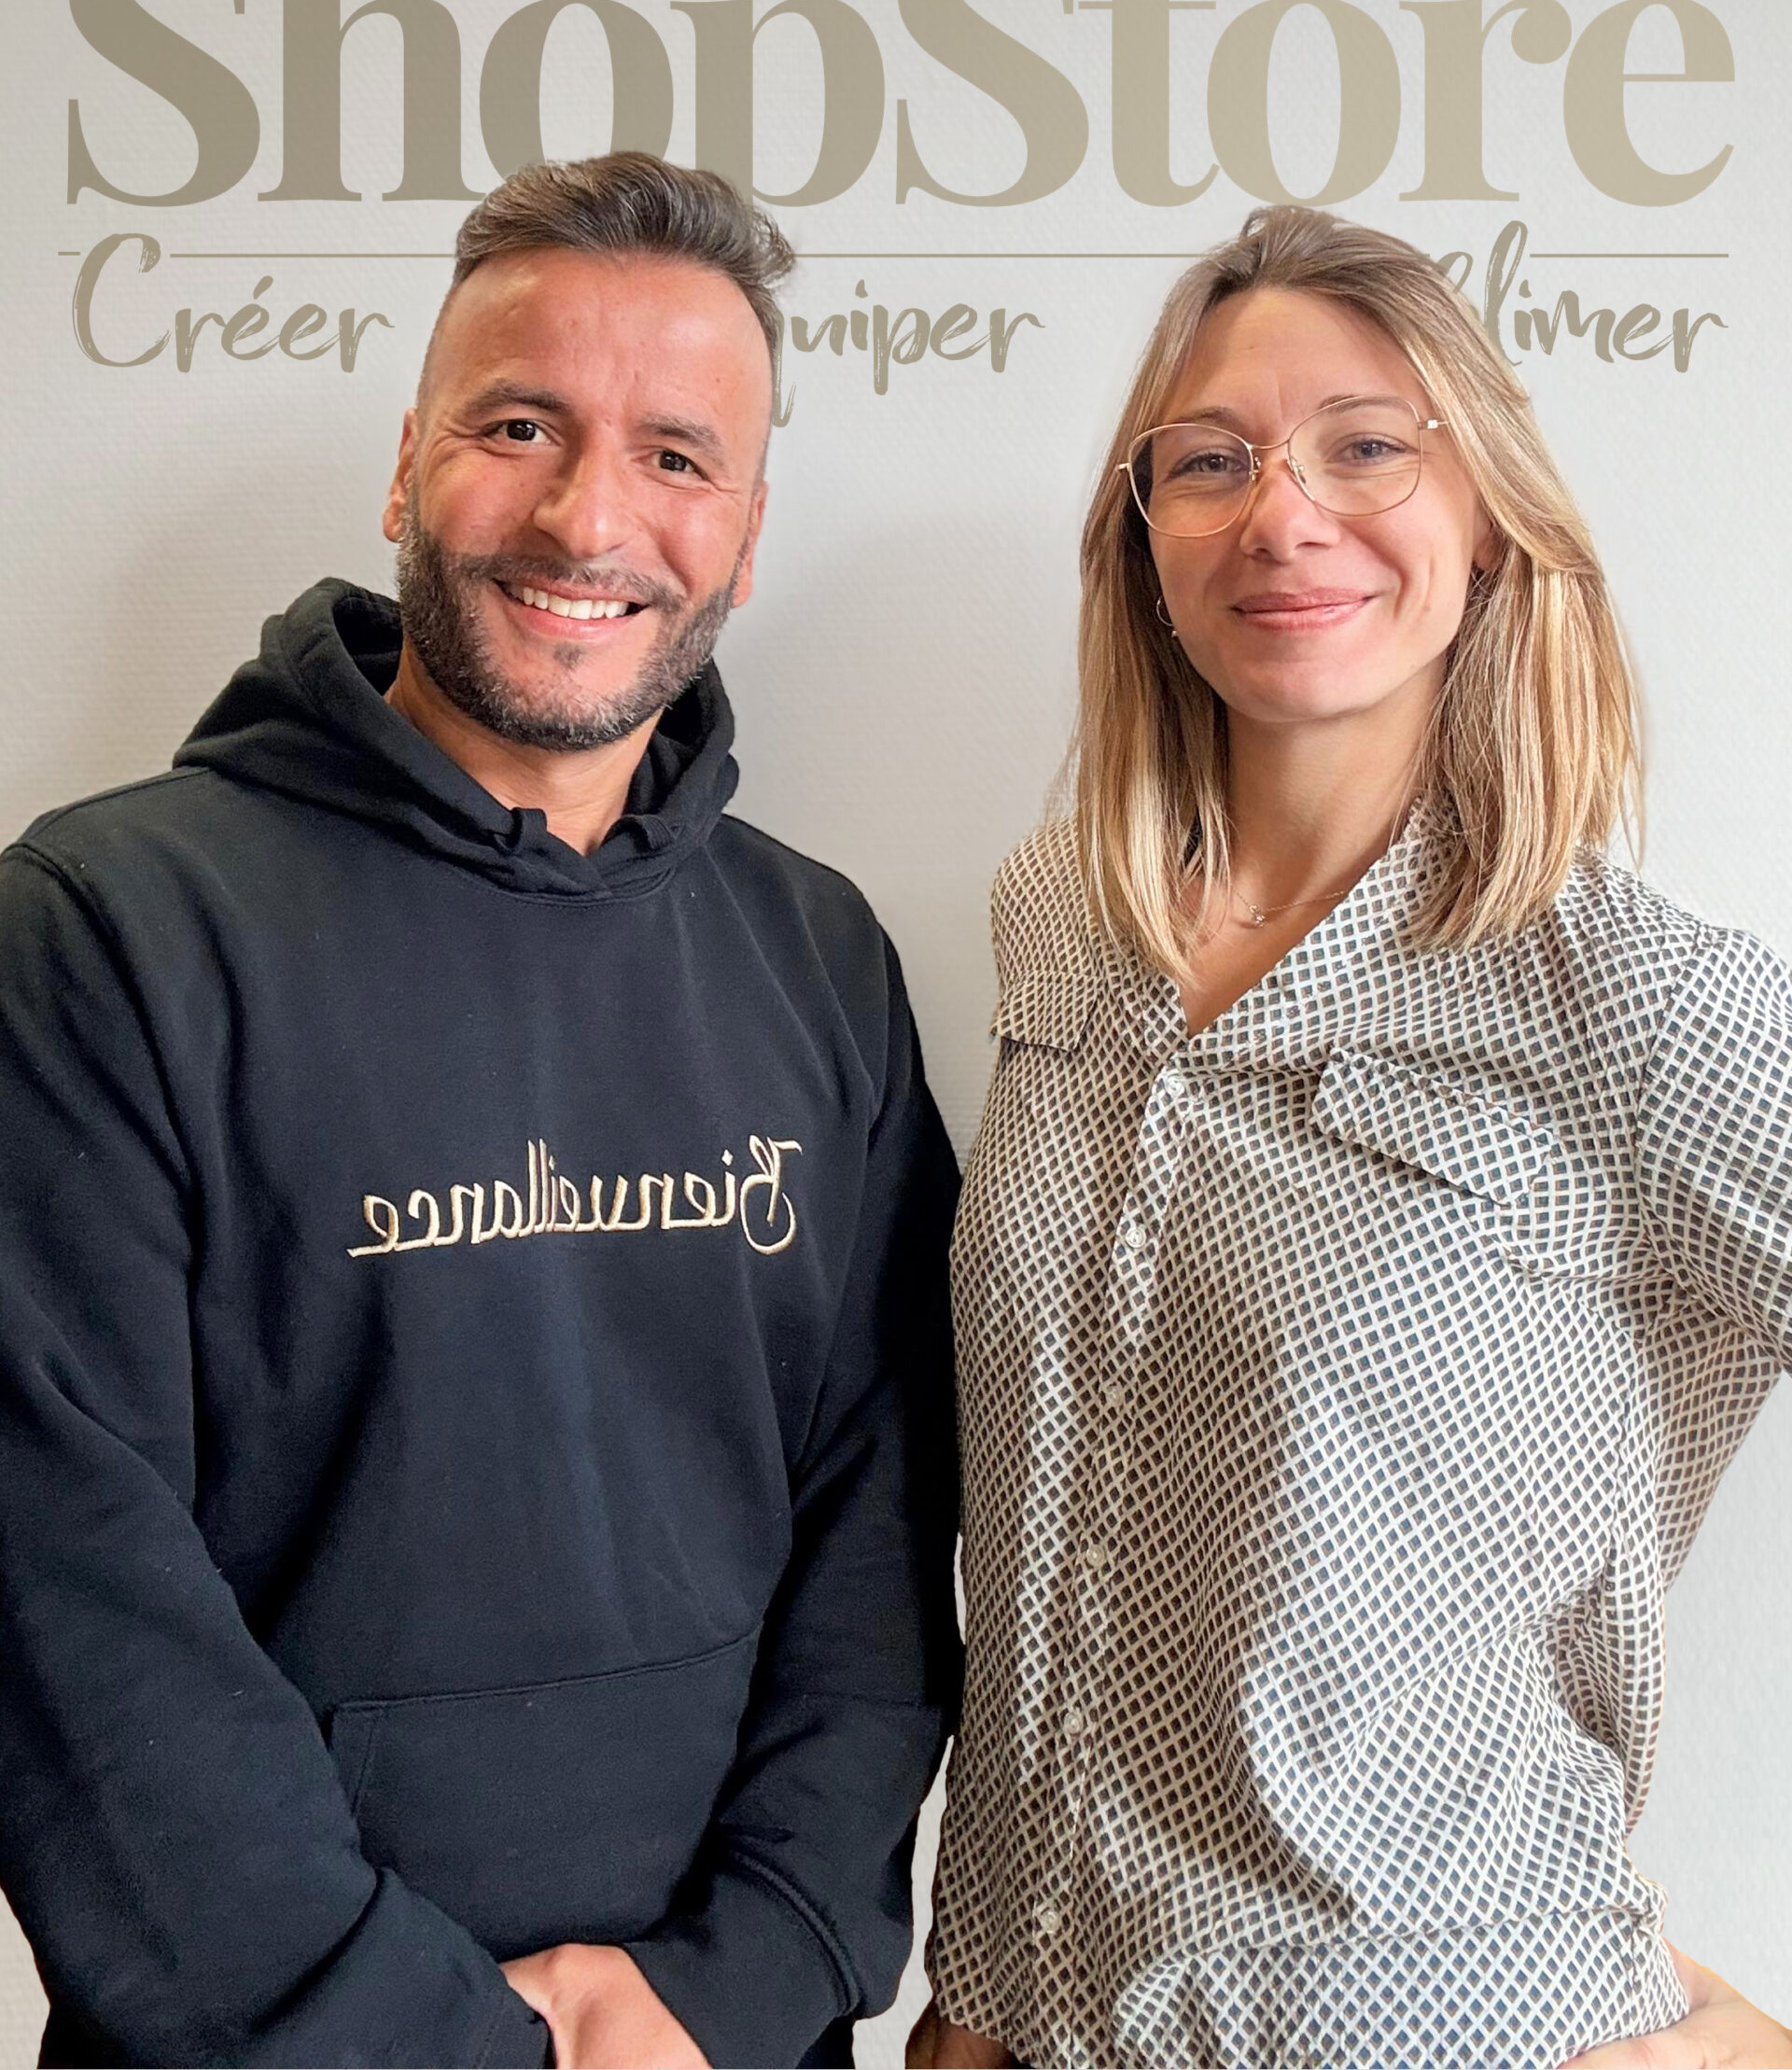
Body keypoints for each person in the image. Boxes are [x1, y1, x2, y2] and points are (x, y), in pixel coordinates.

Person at [0, 152, 960, 2070]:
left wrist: (744, 1973)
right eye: (521, 425)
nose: (591, 512)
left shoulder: (817, 953)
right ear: (406, 461)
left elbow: (886, 1520)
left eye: (679, 456)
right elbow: (68, 1598)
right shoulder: (104, 932)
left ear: (750, 529)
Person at [912, 206, 1792, 2070]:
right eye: (1211, 460)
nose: (1282, 512)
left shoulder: (1624, 1004)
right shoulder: (1055, 926)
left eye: (1367, 444)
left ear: (1484, 515)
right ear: (1144, 540)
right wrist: (976, 1995)